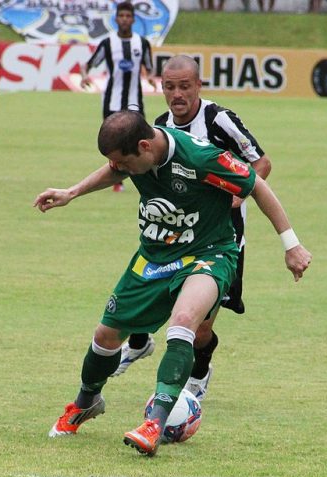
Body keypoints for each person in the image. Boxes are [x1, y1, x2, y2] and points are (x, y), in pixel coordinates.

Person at [34, 110, 311, 456]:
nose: (118, 170)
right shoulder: (134, 156)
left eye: (122, 162)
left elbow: (257, 186)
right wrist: (72, 192)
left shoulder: (199, 156)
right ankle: (86, 402)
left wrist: (292, 245)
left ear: (145, 146)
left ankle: (155, 423)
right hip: (154, 256)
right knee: (105, 337)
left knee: (183, 323)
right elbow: (113, 168)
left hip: (208, 253)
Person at [111, 55, 273, 403]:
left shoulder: (220, 120)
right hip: (173, 235)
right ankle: (140, 343)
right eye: (170, 87)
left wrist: (235, 196)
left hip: (221, 240)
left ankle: (198, 376)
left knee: (199, 327)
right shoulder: (156, 128)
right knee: (151, 291)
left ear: (198, 85)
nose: (177, 94)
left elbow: (261, 162)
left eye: (185, 86)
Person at [80, 1, 154, 191]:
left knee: (140, 140)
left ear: (133, 19)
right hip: (112, 100)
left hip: (134, 100)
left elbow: (149, 66)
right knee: (113, 141)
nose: (124, 19)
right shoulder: (107, 43)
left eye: (128, 16)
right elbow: (88, 64)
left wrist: (152, 78)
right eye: (121, 16)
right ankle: (116, 181)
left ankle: (144, 178)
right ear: (116, 19)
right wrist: (84, 76)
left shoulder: (142, 43)